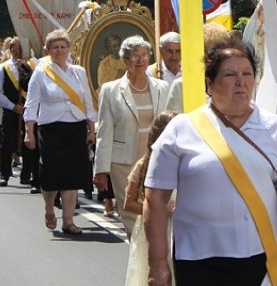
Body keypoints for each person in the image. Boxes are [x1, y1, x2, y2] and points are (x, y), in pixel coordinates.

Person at [144, 41, 277, 285]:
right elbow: (155, 199)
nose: (241, 81)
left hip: (264, 259)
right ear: (209, 84)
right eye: (230, 74)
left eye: (247, 73)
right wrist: (158, 263)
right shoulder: (181, 129)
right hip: (198, 260)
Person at [94, 35, 177, 237]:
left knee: (157, 212)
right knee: (132, 215)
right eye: (134, 56)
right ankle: (139, 259)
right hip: (123, 163)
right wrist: (101, 169)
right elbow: (105, 131)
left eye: (143, 55)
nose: (140, 61)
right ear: (125, 61)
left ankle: (155, 259)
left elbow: (171, 124)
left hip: (156, 160)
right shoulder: (111, 90)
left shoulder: (162, 87)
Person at [24, 30, 96, 235]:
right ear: (47, 50)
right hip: (51, 129)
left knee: (73, 176)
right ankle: (48, 208)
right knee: (51, 175)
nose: (59, 51)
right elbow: (31, 105)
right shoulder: (41, 72)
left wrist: (91, 129)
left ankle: (68, 221)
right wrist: (29, 131)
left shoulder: (78, 72)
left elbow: (88, 103)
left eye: (63, 47)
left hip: (75, 127)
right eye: (55, 47)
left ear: (69, 48)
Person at [123, 110, 178, 286]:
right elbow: (128, 202)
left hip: (178, 226)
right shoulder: (145, 163)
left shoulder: (184, 160)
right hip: (154, 226)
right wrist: (158, 210)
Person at [0, 37, 32, 187]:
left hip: (28, 111)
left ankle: (26, 174)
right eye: (15, 48)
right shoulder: (3, 68)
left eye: (21, 48)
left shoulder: (30, 66)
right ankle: (5, 173)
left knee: (28, 142)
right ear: (11, 50)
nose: (18, 51)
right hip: (11, 110)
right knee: (7, 143)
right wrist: (12, 106)